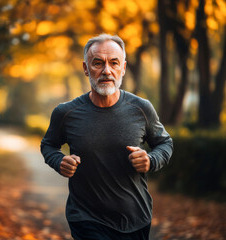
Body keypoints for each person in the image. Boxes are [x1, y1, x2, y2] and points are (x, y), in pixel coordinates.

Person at [40, 34, 173, 240]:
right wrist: (59, 161)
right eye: (98, 63)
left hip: (135, 217)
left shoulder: (141, 108)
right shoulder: (66, 113)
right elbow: (48, 145)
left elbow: (165, 143)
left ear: (124, 68)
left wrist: (151, 160)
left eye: (114, 63)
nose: (106, 71)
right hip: (86, 217)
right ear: (86, 68)